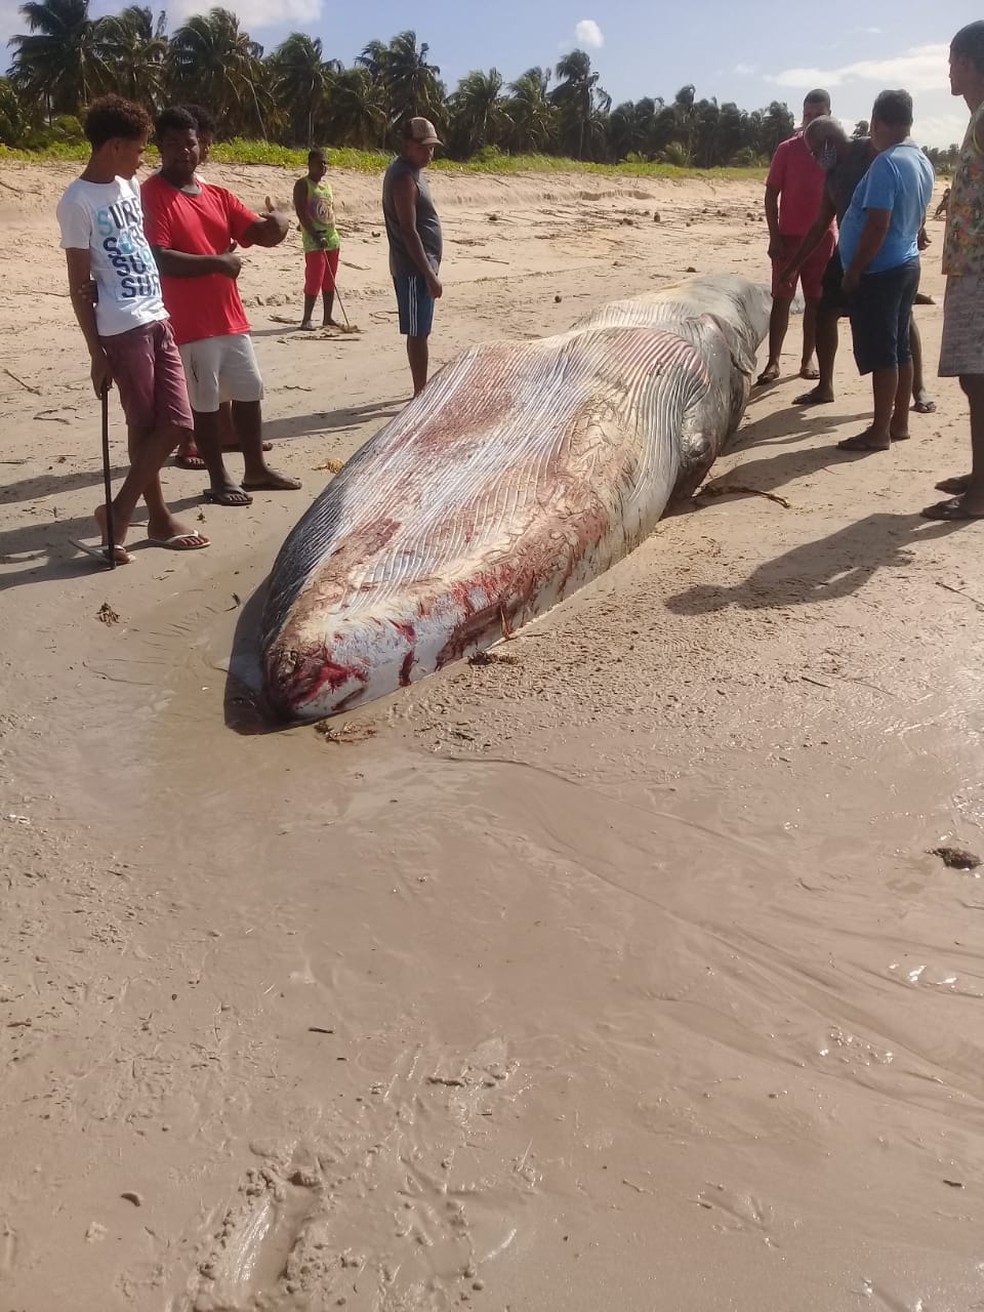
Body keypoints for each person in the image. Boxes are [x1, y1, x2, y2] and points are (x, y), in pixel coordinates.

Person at [56, 94, 208, 562]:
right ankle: (156, 518)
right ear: (115, 146)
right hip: (121, 328)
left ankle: (119, 510)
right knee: (143, 425)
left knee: (179, 421)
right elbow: (79, 284)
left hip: (156, 314)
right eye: (140, 147)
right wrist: (96, 354)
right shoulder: (77, 202)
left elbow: (133, 250)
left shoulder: (128, 186)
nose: (145, 156)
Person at [141, 106, 301, 507]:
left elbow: (258, 233)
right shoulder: (154, 194)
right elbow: (159, 255)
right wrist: (219, 262)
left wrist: (279, 222)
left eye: (189, 143)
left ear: (202, 145)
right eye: (173, 143)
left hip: (230, 318)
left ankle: (255, 469)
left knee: (249, 392)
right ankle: (218, 478)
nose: (183, 151)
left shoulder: (218, 195)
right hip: (188, 322)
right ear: (159, 147)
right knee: (205, 404)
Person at [780, 115, 935, 414]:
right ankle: (825, 386)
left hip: (884, 252)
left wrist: (919, 226)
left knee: (902, 322)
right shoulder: (832, 173)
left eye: (815, 151)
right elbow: (821, 222)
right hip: (847, 252)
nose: (814, 158)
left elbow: (906, 188)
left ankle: (919, 390)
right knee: (825, 311)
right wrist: (794, 265)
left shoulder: (874, 152)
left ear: (829, 143)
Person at [834, 89, 935, 453]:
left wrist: (855, 269)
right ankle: (899, 422)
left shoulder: (887, 163)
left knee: (883, 353)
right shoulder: (921, 160)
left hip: (882, 269)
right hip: (907, 263)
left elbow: (878, 224)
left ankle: (879, 430)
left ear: (877, 122)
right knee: (900, 347)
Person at [923, 22, 984, 520]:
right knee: (973, 378)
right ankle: (981, 475)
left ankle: (982, 492)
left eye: (951, 59)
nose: (947, 69)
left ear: (967, 61)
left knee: (979, 378)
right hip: (971, 269)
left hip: (981, 272)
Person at [757, 89, 835, 386]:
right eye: (807, 115)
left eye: (818, 115)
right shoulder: (787, 150)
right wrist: (774, 236)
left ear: (829, 115)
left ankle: (807, 358)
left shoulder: (835, 153)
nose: (812, 121)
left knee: (815, 301)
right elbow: (771, 194)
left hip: (823, 239)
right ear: (801, 116)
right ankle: (773, 361)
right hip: (788, 238)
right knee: (782, 298)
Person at [382, 117, 444, 396]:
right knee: (417, 333)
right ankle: (420, 392)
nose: (429, 153)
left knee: (422, 330)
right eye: (424, 148)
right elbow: (408, 231)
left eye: (432, 148)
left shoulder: (414, 172)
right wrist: (428, 274)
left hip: (421, 267)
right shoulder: (403, 177)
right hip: (413, 270)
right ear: (408, 145)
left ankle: (421, 388)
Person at [294, 148, 342, 330]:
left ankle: (327, 317)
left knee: (330, 279)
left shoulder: (327, 186)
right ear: (310, 164)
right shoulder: (303, 184)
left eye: (325, 163)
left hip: (332, 238)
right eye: (319, 162)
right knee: (315, 277)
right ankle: (306, 318)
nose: (323, 166)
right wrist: (314, 234)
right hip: (314, 239)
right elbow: (301, 212)